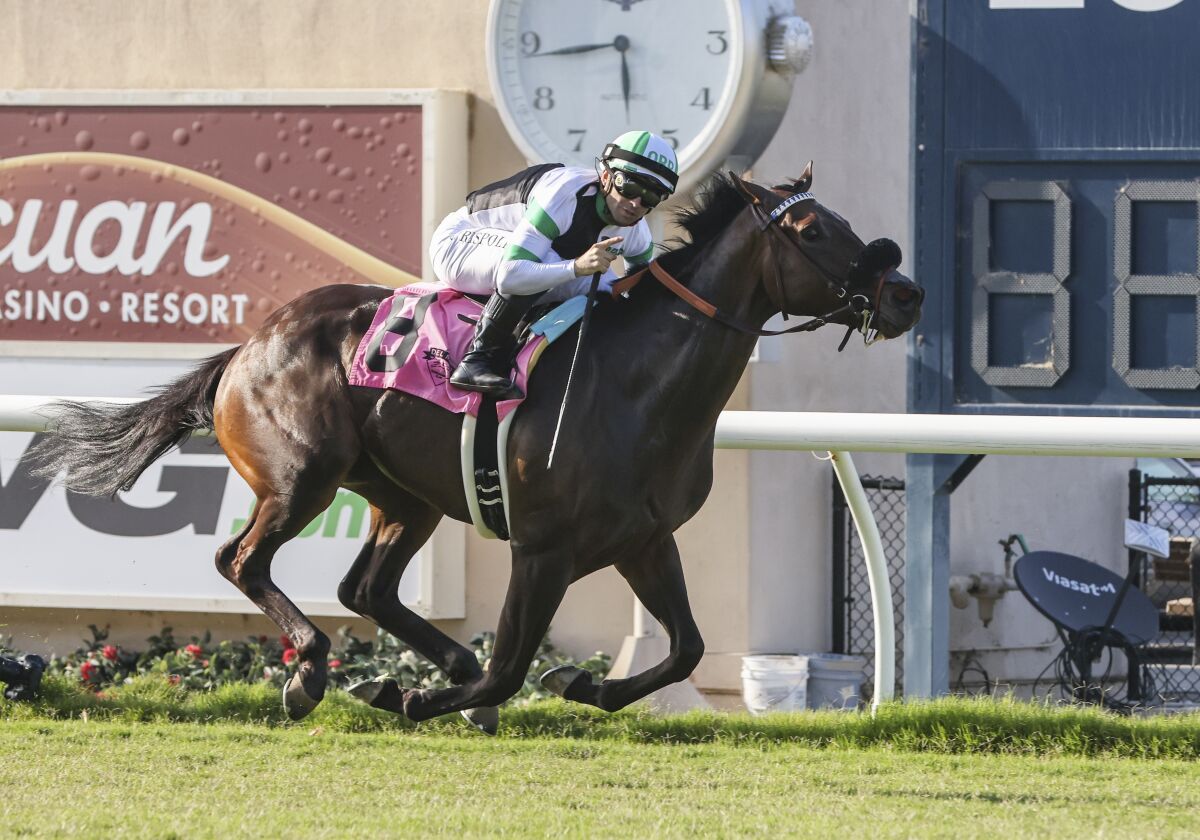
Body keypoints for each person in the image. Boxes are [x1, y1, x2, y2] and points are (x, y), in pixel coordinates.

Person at [430, 130, 679, 396]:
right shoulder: (565, 193)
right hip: (459, 241)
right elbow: (511, 276)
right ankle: (477, 359)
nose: (635, 203)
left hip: (518, 252)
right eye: (629, 186)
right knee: (545, 262)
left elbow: (644, 296)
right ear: (606, 176)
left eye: (650, 196)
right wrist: (576, 267)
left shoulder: (637, 232)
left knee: (611, 293)